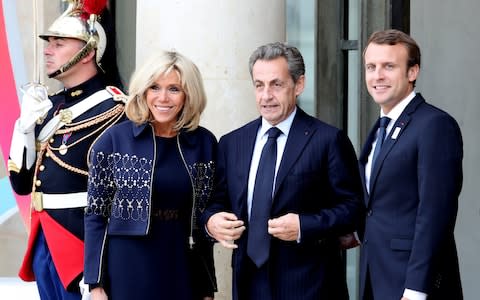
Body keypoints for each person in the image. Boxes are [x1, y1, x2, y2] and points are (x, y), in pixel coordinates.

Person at [202, 42, 363, 300]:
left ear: (298, 85)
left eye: (276, 84)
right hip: (248, 283)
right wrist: (212, 222)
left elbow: (353, 208)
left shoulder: (328, 140)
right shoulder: (232, 143)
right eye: (259, 85)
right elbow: (215, 202)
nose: (266, 95)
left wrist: (303, 226)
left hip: (310, 286)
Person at [7, 1, 126, 299]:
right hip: (45, 240)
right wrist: (23, 127)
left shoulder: (116, 109)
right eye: (50, 44)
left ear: (88, 52)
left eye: (59, 44)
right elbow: (21, 185)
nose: (48, 50)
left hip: (83, 246)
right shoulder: (50, 108)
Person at [84, 50, 218, 300]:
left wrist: (206, 284)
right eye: (154, 87)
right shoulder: (113, 141)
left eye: (174, 89)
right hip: (128, 265)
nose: (163, 98)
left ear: (189, 94)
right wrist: (95, 284)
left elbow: (204, 215)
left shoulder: (205, 143)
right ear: (143, 91)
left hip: (182, 263)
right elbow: (96, 216)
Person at [358, 29, 463, 300]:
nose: (377, 75)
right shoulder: (380, 128)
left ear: (412, 72)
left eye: (389, 66)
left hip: (412, 286)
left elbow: (435, 215)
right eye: (371, 67)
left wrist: (417, 289)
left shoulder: (434, 126)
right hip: (376, 276)